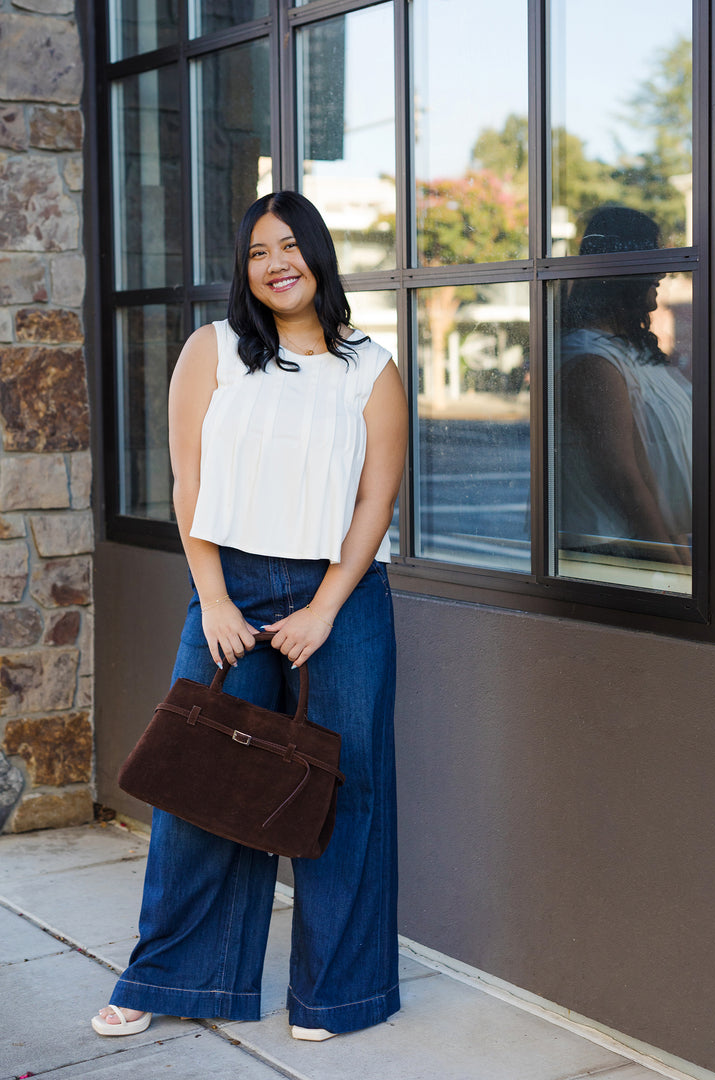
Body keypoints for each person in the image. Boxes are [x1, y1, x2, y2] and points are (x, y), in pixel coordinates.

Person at [91, 191, 408, 1041]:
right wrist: (217, 597)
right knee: (201, 782)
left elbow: (377, 501)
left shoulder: (371, 367)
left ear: (319, 256)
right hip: (229, 585)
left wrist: (325, 609)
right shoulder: (214, 351)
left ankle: (338, 995)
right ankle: (169, 978)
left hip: (339, 595)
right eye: (260, 251)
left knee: (348, 790)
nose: (277, 263)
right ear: (247, 268)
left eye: (291, 246)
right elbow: (187, 487)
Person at [558, 207, 691, 566]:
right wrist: (675, 566)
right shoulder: (591, 362)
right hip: (612, 548)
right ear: (621, 269)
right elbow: (625, 482)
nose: (664, 270)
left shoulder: (630, 351)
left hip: (644, 541)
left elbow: (651, 476)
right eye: (650, 252)